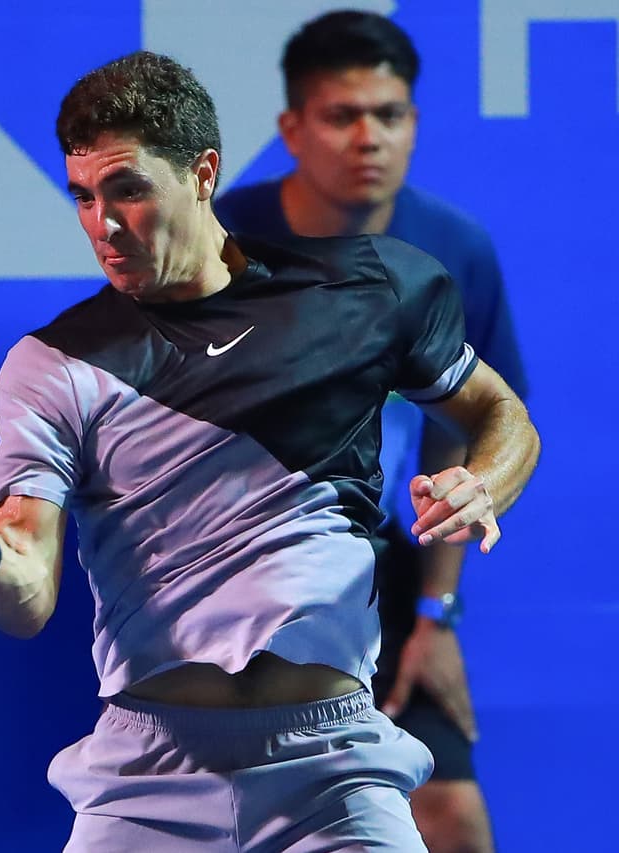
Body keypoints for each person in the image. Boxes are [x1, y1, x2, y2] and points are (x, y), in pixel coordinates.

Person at [0, 50, 539, 851]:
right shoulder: (55, 365)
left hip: (332, 769)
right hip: (146, 777)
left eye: (128, 189)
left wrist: (484, 482)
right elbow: (26, 595)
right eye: (82, 197)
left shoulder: (368, 294)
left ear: (202, 173)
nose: (104, 225)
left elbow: (502, 414)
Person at [213, 12, 529, 852]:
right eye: (341, 116)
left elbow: (466, 434)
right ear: (292, 129)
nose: (369, 138)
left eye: (389, 115)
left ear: (414, 123)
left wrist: (434, 611)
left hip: (374, 567)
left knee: (449, 811)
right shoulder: (221, 243)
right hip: (223, 572)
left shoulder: (455, 250)